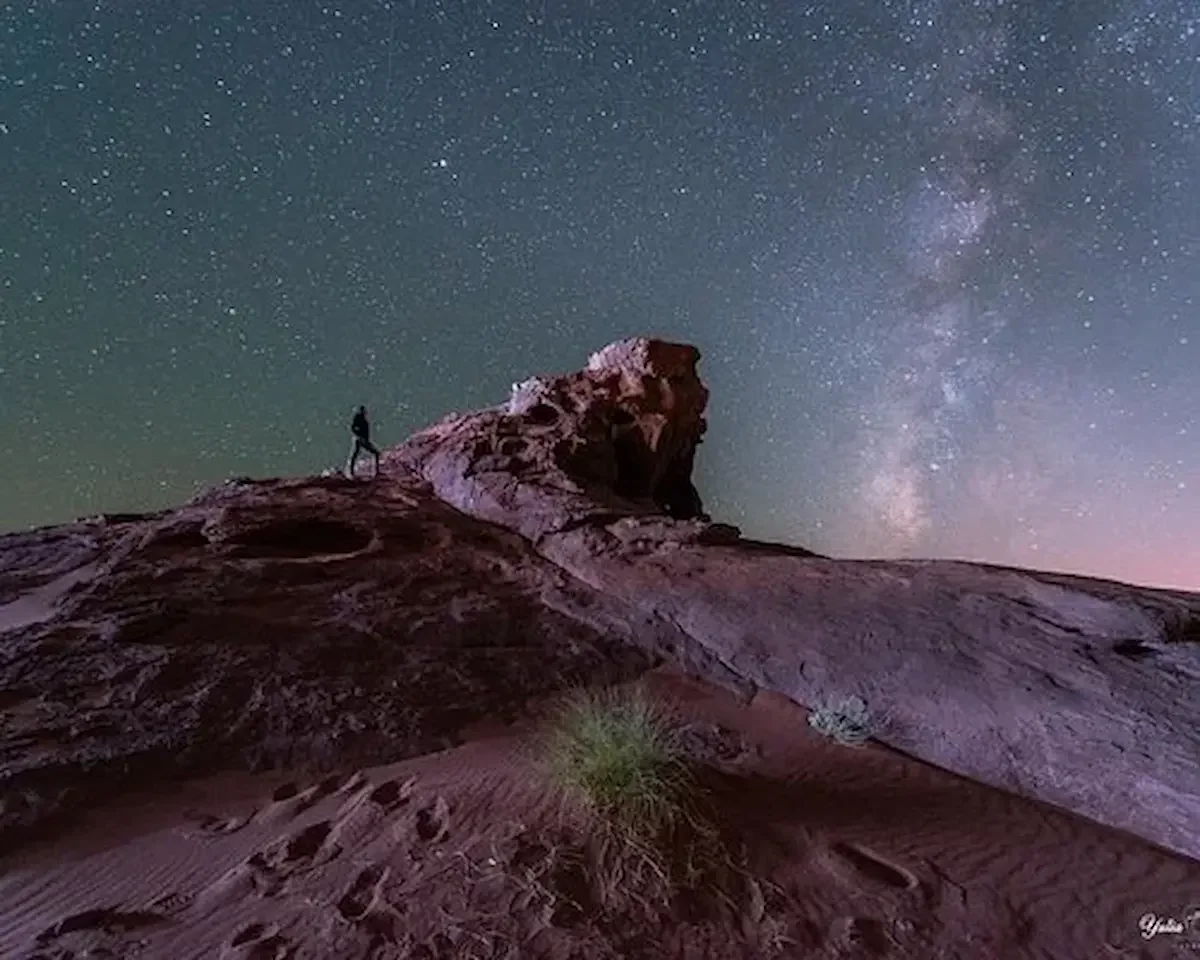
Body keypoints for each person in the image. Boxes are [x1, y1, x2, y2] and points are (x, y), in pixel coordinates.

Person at [345, 404, 381, 479]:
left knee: (375, 453)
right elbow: (353, 428)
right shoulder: (358, 418)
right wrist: (358, 436)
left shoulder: (363, 419)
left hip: (364, 439)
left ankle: (376, 471)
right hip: (359, 439)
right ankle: (350, 472)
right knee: (355, 455)